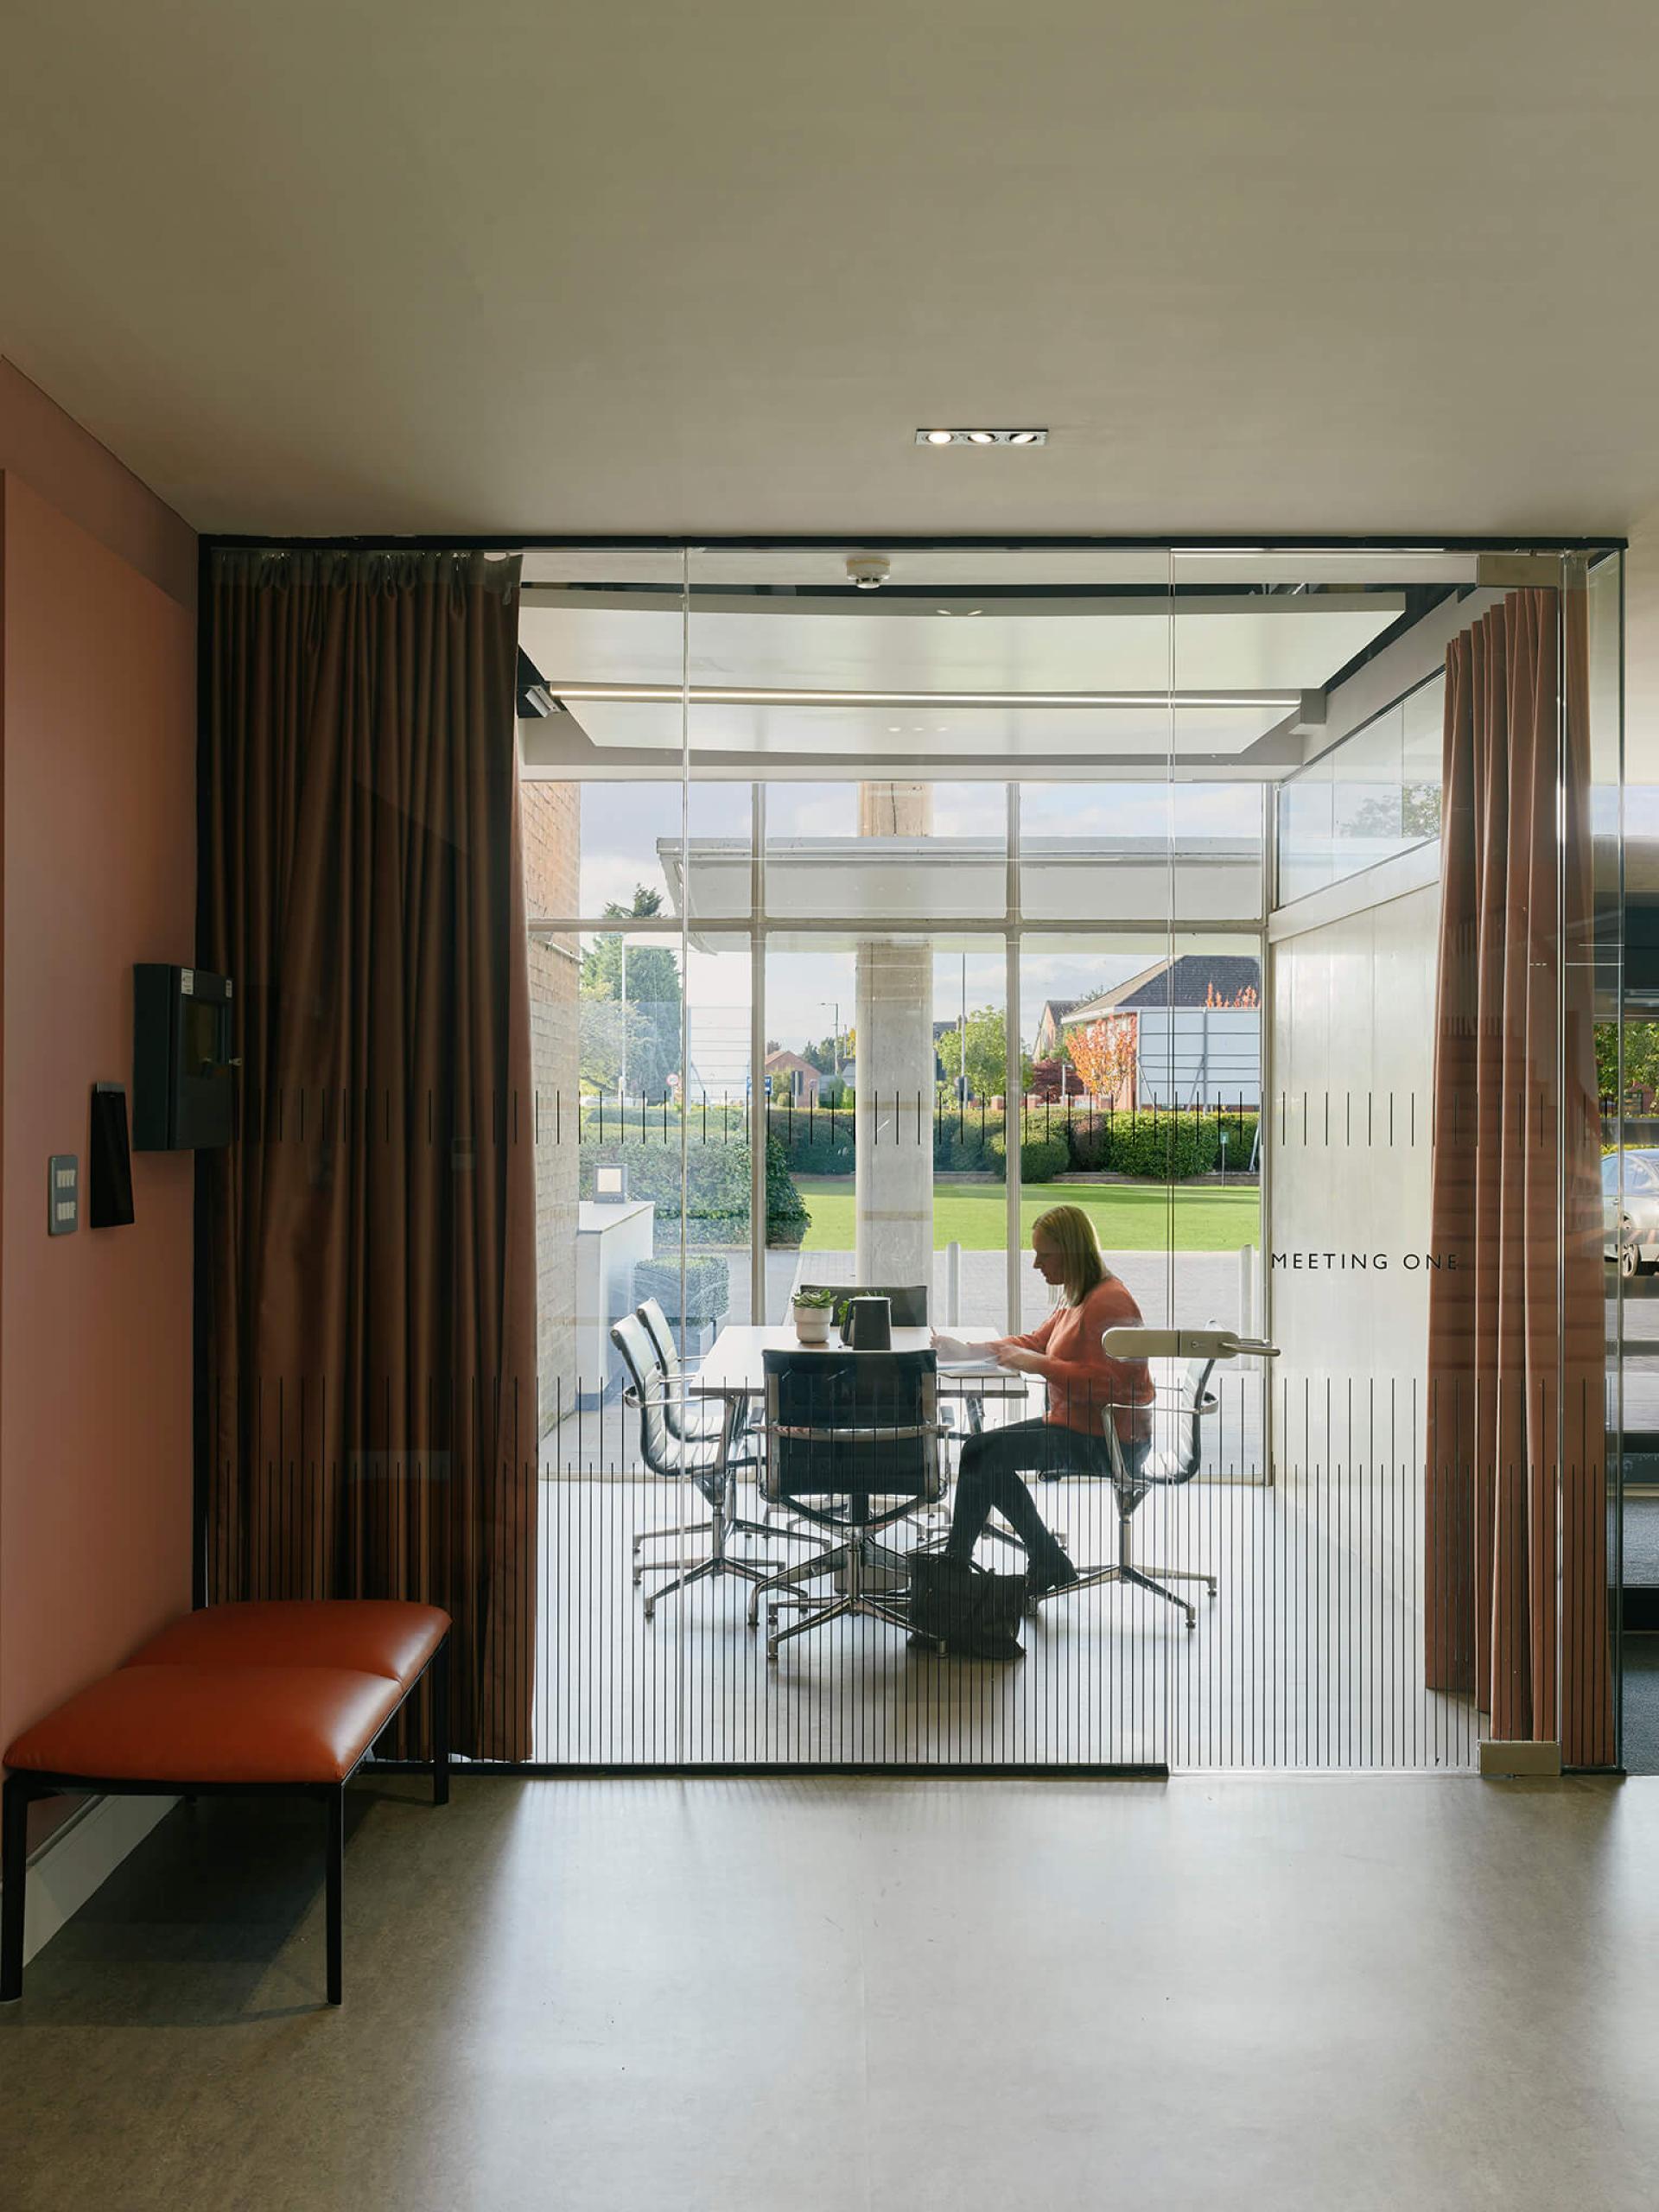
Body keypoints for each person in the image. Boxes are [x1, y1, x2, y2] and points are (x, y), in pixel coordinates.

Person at [932, 1205, 1154, 1595]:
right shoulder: (1077, 1297)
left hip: (1111, 1441)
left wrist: (1041, 1365)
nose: (1036, 1265)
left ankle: (960, 1572)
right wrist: (967, 1350)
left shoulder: (1110, 1303)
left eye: (1044, 1254)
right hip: (1077, 1426)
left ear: (1071, 1250)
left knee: (981, 1453)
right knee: (982, 1453)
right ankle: (1032, 1560)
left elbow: (1113, 1386)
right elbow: (1033, 1342)